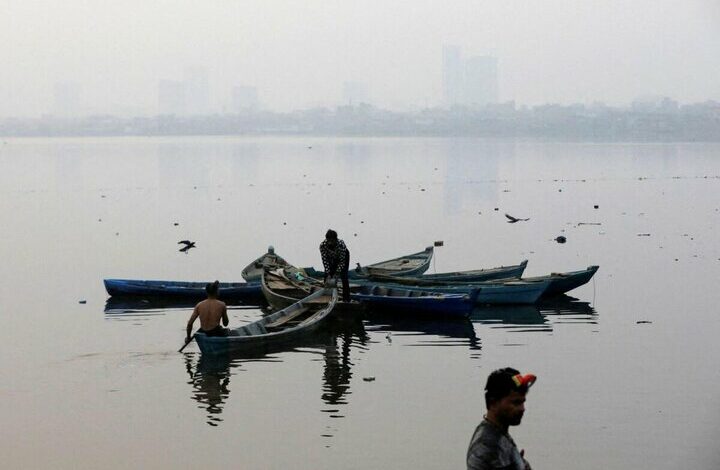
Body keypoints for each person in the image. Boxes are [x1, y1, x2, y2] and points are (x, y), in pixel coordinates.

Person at [467, 367, 537, 470]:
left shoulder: (497, 432)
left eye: (523, 402)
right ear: (493, 402)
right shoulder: (488, 444)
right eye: (516, 403)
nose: (522, 409)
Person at [319, 229, 351, 302]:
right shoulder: (322, 246)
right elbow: (325, 261)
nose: (330, 243)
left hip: (343, 257)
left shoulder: (341, 245)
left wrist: (337, 273)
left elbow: (342, 262)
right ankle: (327, 297)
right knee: (327, 276)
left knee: (344, 277)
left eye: (332, 241)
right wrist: (328, 273)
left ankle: (346, 299)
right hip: (331, 257)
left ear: (335, 240)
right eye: (329, 240)